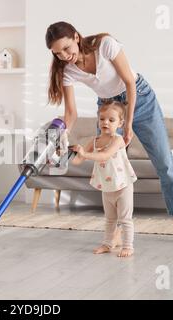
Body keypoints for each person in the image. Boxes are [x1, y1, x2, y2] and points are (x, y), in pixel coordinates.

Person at [45, 21, 173, 244]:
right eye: (57, 53)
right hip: (108, 107)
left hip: (140, 99)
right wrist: (62, 135)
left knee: (164, 163)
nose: (64, 56)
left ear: (76, 38)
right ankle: (117, 225)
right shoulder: (67, 71)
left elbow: (129, 82)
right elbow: (70, 113)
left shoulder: (105, 45)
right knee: (107, 165)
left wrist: (128, 125)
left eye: (66, 48)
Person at [72, 101, 136, 257]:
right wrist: (68, 153)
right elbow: (77, 161)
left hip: (122, 186)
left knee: (125, 219)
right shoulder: (93, 141)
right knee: (110, 219)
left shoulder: (118, 140)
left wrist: (85, 154)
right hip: (107, 187)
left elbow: (105, 156)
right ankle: (107, 244)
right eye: (102, 119)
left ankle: (128, 246)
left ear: (120, 123)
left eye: (111, 120)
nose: (105, 122)